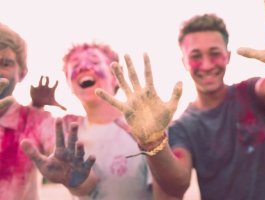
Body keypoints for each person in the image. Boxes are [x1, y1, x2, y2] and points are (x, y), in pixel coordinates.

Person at [95, 0, 265, 199]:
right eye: (196, 56)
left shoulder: (249, 93)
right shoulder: (184, 127)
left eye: (215, 53)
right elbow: (178, 182)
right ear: (184, 62)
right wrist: (152, 143)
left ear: (227, 56)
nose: (206, 65)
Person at [21, 43, 155, 200]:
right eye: (75, 64)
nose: (83, 67)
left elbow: (168, 189)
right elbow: (25, 134)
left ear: (116, 76)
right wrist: (36, 106)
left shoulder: (145, 126)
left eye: (95, 61)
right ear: (69, 85)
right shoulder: (67, 128)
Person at [0, 22, 65, 200]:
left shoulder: (37, 120)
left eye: (5, 63)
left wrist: (66, 168)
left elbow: (62, 156)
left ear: (22, 72)